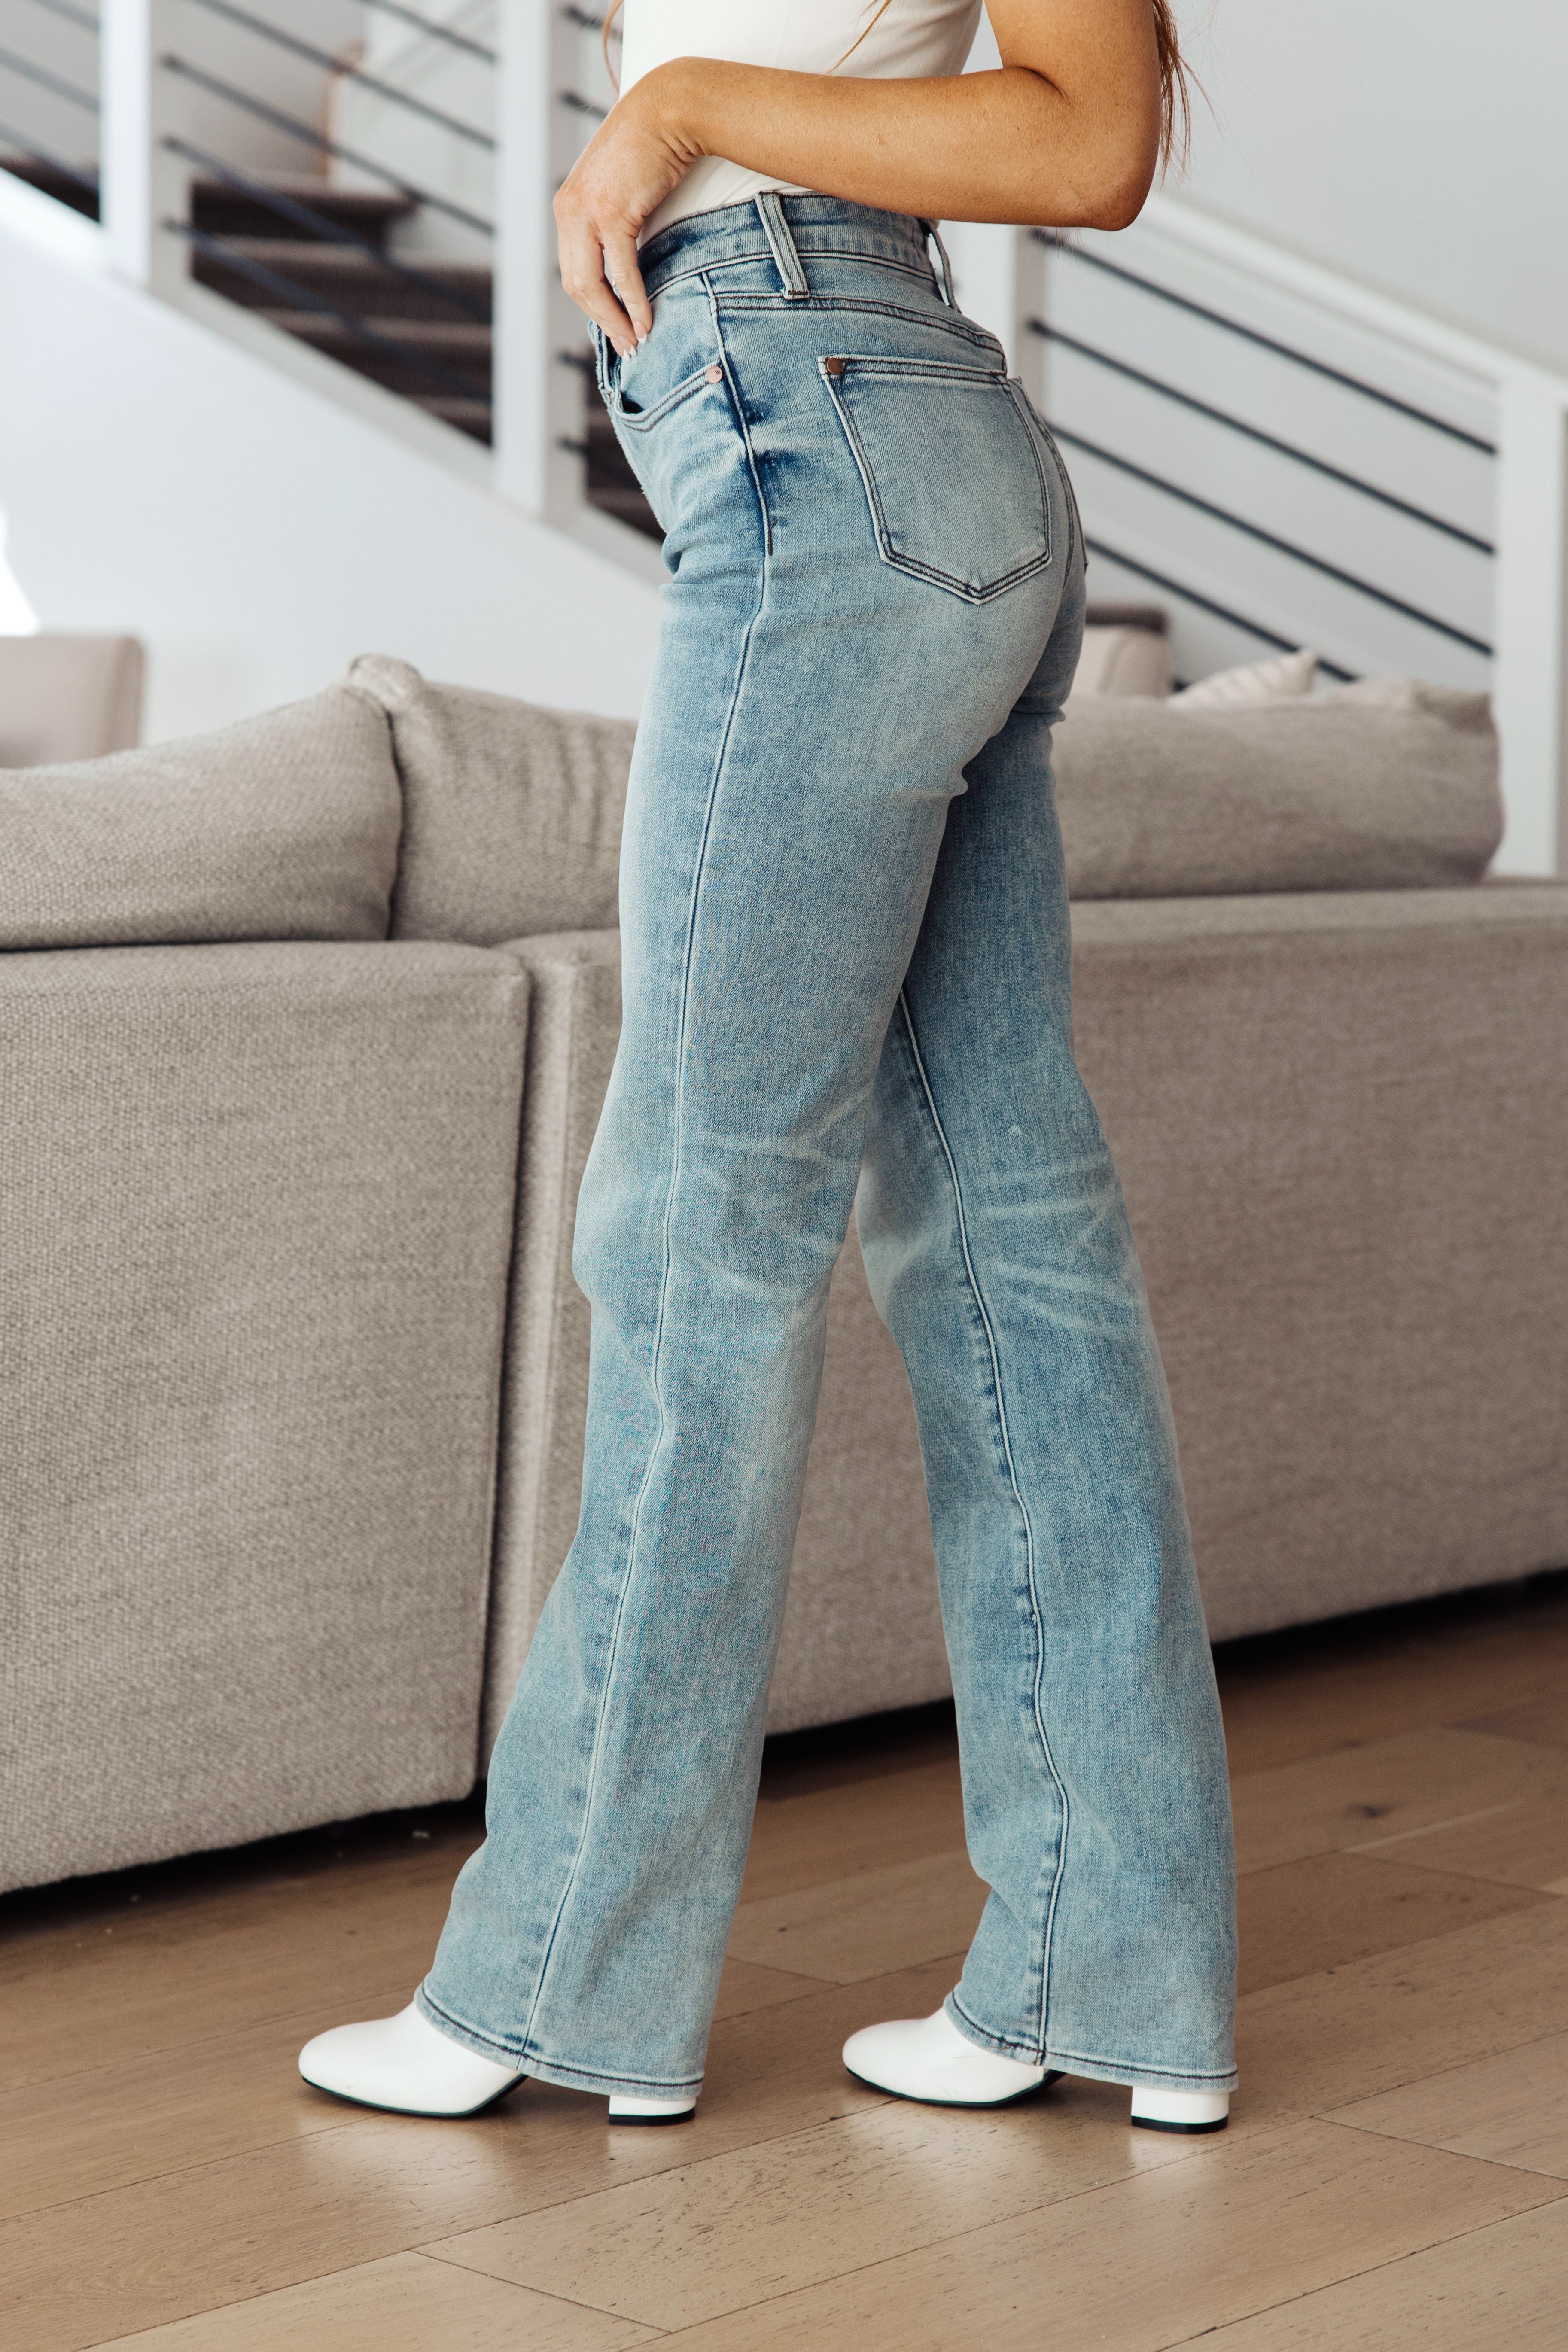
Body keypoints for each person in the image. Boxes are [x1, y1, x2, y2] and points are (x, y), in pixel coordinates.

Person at [301, 0, 1238, 2136]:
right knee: (1009, 1232)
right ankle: (1109, 1968)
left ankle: (558, 1979)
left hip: (827, 434)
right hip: (890, 426)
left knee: (697, 1230)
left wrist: (685, 104)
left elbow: (1088, 141)